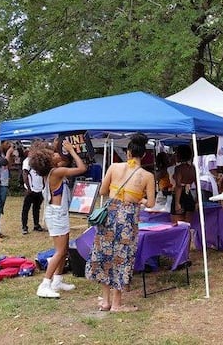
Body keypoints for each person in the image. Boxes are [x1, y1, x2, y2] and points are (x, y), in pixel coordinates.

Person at [85, 133, 155, 311]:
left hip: (110, 214)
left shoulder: (114, 167)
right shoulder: (147, 176)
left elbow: (102, 191)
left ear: (128, 152)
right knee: (122, 257)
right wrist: (141, 200)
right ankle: (116, 303)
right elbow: (152, 203)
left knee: (105, 255)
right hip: (128, 218)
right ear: (144, 154)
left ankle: (106, 301)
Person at [28, 140, 87, 298]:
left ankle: (57, 280)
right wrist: (71, 150)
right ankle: (45, 284)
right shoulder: (56, 172)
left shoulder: (50, 171)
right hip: (57, 215)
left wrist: (58, 145)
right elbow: (82, 168)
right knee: (60, 251)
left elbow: (62, 159)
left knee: (64, 248)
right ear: (49, 161)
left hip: (57, 213)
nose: (57, 154)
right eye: (53, 154)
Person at [171, 144, 197, 223]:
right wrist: (197, 200)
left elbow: (179, 186)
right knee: (188, 225)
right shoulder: (193, 168)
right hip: (189, 197)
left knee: (177, 227)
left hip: (180, 197)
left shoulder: (178, 169)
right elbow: (197, 184)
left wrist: (177, 203)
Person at [21, 154, 45, 234]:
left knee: (37, 208)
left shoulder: (40, 160)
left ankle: (36, 225)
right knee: (26, 209)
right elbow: (25, 173)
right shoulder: (27, 161)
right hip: (31, 189)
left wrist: (43, 186)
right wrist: (28, 188)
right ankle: (24, 227)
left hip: (39, 188)